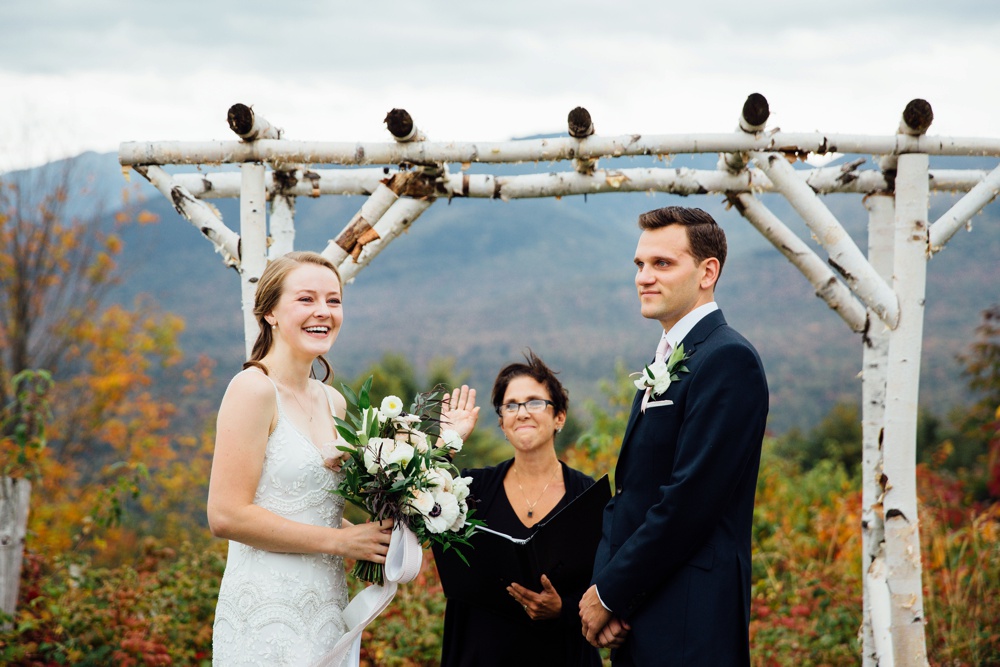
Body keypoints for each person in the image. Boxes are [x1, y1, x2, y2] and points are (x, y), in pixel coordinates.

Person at [579, 207, 769, 666]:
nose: (644, 277)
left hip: (691, 619)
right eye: (640, 265)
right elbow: (631, 491)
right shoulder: (669, 359)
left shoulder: (728, 360)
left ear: (708, 272)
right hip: (643, 613)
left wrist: (608, 592)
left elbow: (689, 502)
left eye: (662, 263)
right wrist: (607, 587)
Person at [207, 251, 395, 666]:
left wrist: (377, 537)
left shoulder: (332, 402)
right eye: (306, 299)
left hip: (325, 609)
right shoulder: (253, 390)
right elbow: (225, 515)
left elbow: (313, 510)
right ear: (270, 311)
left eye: (334, 300)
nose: (323, 312)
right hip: (265, 613)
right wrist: (342, 541)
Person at [439, 351, 602, 667]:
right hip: (481, 654)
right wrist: (447, 444)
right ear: (501, 422)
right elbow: (412, 506)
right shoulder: (471, 488)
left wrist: (561, 609)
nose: (522, 412)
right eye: (510, 405)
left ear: (560, 417)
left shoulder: (588, 495)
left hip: (561, 656)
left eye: (535, 402)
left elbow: (606, 586)